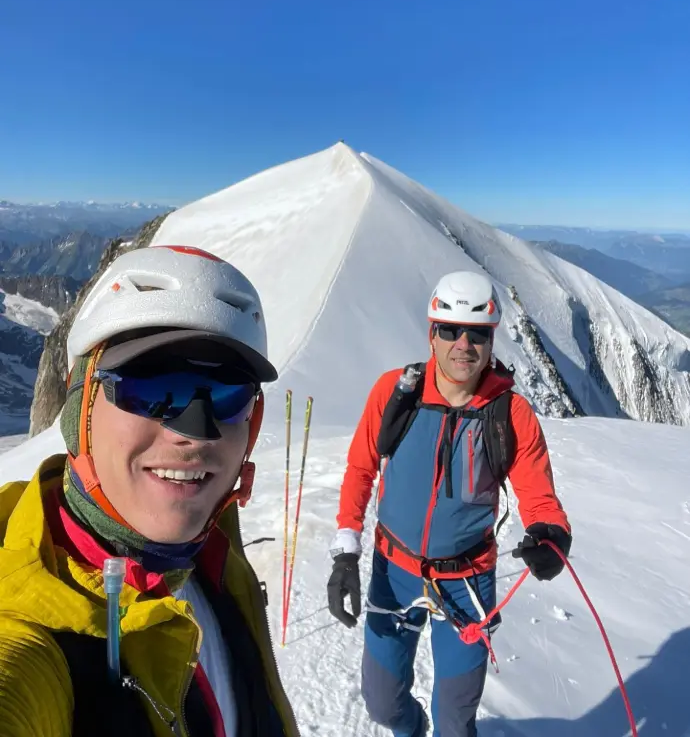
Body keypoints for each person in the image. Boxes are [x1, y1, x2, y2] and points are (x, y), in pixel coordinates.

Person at [0, 244, 300, 737]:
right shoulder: (28, 630)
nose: (195, 433)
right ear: (80, 407)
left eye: (227, 395)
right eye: (154, 388)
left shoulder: (213, 550)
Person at [327, 271, 571, 737]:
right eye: (450, 330)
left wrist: (550, 533)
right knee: (382, 705)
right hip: (394, 572)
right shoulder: (395, 393)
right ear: (432, 334)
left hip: (467, 582)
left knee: (456, 723)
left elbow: (538, 495)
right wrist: (346, 550)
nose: (464, 344)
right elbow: (361, 469)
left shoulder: (509, 414)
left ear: (492, 339)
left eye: (477, 333)